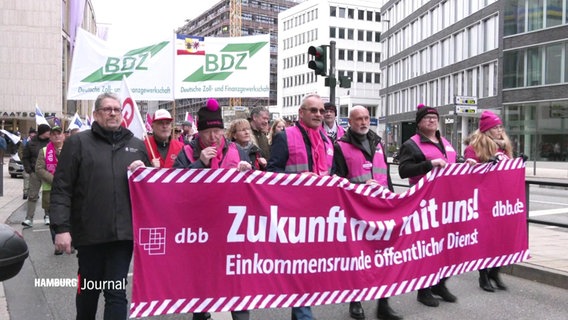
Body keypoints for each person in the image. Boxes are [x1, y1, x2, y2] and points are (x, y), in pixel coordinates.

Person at [50, 92, 151, 320]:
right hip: (89, 236)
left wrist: (147, 172)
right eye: (107, 109)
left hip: (122, 236)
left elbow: (150, 192)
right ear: (96, 114)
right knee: (88, 291)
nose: (113, 113)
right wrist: (61, 228)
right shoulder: (78, 143)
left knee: (116, 294)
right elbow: (62, 188)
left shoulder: (137, 145)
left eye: (116, 109)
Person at [173, 99, 251, 320]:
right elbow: (173, 191)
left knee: (237, 284)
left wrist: (249, 172)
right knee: (202, 284)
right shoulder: (187, 152)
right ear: (200, 131)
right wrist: (199, 166)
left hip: (233, 230)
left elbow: (254, 192)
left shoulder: (236, 150)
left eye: (218, 131)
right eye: (209, 132)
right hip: (200, 231)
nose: (214, 137)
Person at [267, 93, 334, 320]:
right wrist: (297, 179)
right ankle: (304, 315)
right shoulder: (285, 137)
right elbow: (271, 175)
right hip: (293, 215)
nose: (318, 114)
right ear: (301, 113)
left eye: (321, 110)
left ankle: (301, 313)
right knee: (299, 268)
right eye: (313, 110)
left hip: (319, 216)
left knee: (307, 269)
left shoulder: (326, 140)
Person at [332, 106, 402, 320]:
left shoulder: (377, 142)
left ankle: (384, 304)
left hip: (381, 207)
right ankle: (356, 301)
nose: (363, 122)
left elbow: (385, 176)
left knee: (385, 257)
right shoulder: (341, 146)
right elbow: (337, 179)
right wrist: (358, 185)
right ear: (350, 122)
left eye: (366, 118)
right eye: (358, 119)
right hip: (357, 210)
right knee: (358, 258)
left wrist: (391, 198)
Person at [397, 104, 458, 307]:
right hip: (424, 203)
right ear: (419, 123)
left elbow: (454, 162)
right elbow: (404, 170)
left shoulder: (445, 142)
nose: (432, 120)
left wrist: (468, 164)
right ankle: (424, 290)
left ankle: (440, 283)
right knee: (427, 248)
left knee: (446, 245)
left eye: (434, 117)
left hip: (446, 202)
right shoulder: (411, 144)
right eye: (427, 118)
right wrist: (429, 164)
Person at [463, 110, 512, 292]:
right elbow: (469, 172)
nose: (499, 130)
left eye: (500, 127)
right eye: (495, 127)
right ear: (486, 130)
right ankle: (483, 275)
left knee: (502, 238)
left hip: (502, 201)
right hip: (484, 201)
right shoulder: (474, 148)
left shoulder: (504, 147)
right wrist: (476, 166)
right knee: (485, 239)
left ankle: (495, 272)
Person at [35, 125, 65, 254]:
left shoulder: (71, 149)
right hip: (51, 190)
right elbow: (39, 169)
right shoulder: (44, 150)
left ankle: (72, 241)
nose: (57, 136)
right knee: (54, 219)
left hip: (69, 190)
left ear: (63, 135)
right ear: (50, 136)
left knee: (70, 216)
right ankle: (57, 244)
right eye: (54, 134)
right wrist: (55, 180)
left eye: (59, 133)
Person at [21, 123, 51, 227]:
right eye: (48, 131)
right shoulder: (31, 143)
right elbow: (25, 157)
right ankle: (29, 218)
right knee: (32, 195)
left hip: (47, 173)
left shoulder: (51, 143)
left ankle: (48, 216)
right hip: (35, 173)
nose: (50, 133)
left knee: (47, 196)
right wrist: (29, 170)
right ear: (43, 132)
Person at [19, 128, 36, 200]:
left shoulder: (37, 142)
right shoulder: (24, 142)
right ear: (29, 134)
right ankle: (25, 192)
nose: (33, 136)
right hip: (26, 163)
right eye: (32, 134)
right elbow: (20, 152)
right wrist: (23, 160)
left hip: (34, 163)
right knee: (26, 177)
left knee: (34, 179)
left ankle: (33, 193)